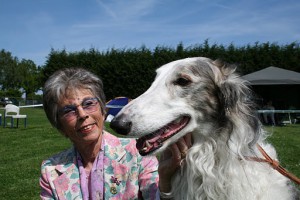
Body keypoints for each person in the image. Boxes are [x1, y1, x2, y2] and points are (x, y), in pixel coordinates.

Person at [40, 67, 192, 199]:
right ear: (59, 126)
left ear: (103, 111)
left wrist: (165, 179)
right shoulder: (51, 170)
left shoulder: (137, 153)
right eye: (69, 110)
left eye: (88, 104)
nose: (82, 114)